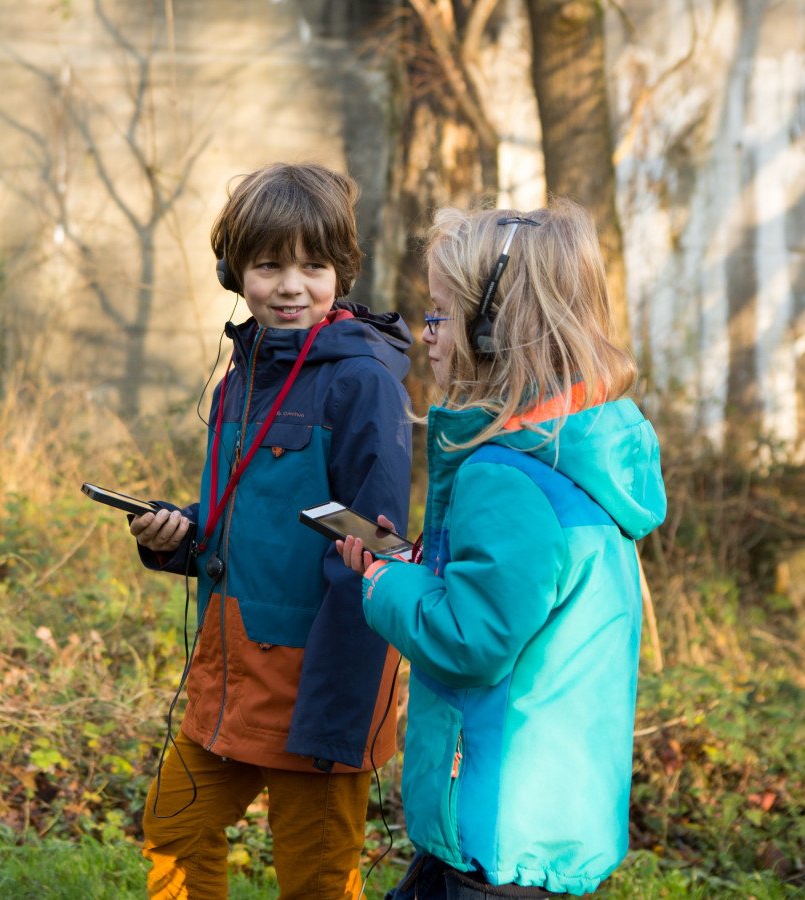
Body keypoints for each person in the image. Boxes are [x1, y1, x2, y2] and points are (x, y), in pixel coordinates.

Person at [337, 200, 667, 898]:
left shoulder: (508, 476)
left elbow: (471, 640)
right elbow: (508, 600)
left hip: (495, 834)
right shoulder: (571, 456)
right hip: (542, 823)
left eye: (441, 313)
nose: (427, 333)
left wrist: (385, 581)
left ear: (495, 331)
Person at [128, 162, 414, 899]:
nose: (291, 286)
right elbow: (244, 521)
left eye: (313, 266)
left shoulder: (363, 382)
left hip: (317, 683)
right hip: (228, 677)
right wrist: (179, 534)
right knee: (176, 830)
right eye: (268, 265)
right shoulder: (240, 376)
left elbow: (378, 551)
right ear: (233, 272)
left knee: (315, 881)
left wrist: (338, 712)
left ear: (341, 271)